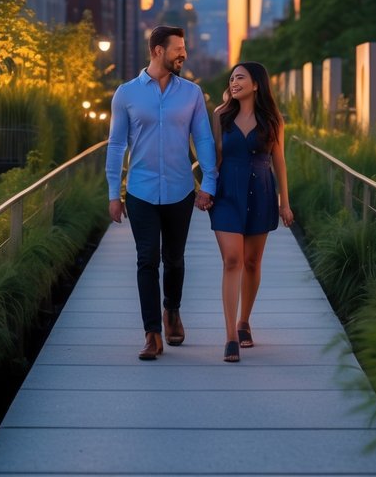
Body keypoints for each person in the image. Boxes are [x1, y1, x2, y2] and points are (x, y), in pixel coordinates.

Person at [106, 26, 217, 361]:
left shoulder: (192, 93)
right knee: (146, 260)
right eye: (178, 49)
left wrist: (209, 182)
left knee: (174, 259)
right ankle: (152, 333)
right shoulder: (126, 94)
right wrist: (114, 192)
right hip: (140, 191)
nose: (183, 54)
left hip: (180, 190)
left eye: (184, 48)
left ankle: (172, 311)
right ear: (157, 50)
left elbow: (204, 139)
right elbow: (116, 145)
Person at [205, 61, 293, 362]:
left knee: (252, 262)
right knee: (233, 260)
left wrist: (285, 202)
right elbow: (213, 156)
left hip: (262, 191)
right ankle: (230, 335)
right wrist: (204, 187)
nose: (233, 83)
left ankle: (245, 322)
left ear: (256, 84)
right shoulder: (220, 115)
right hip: (227, 191)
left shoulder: (272, 119)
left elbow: (279, 161)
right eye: (231, 79)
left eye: (240, 78)